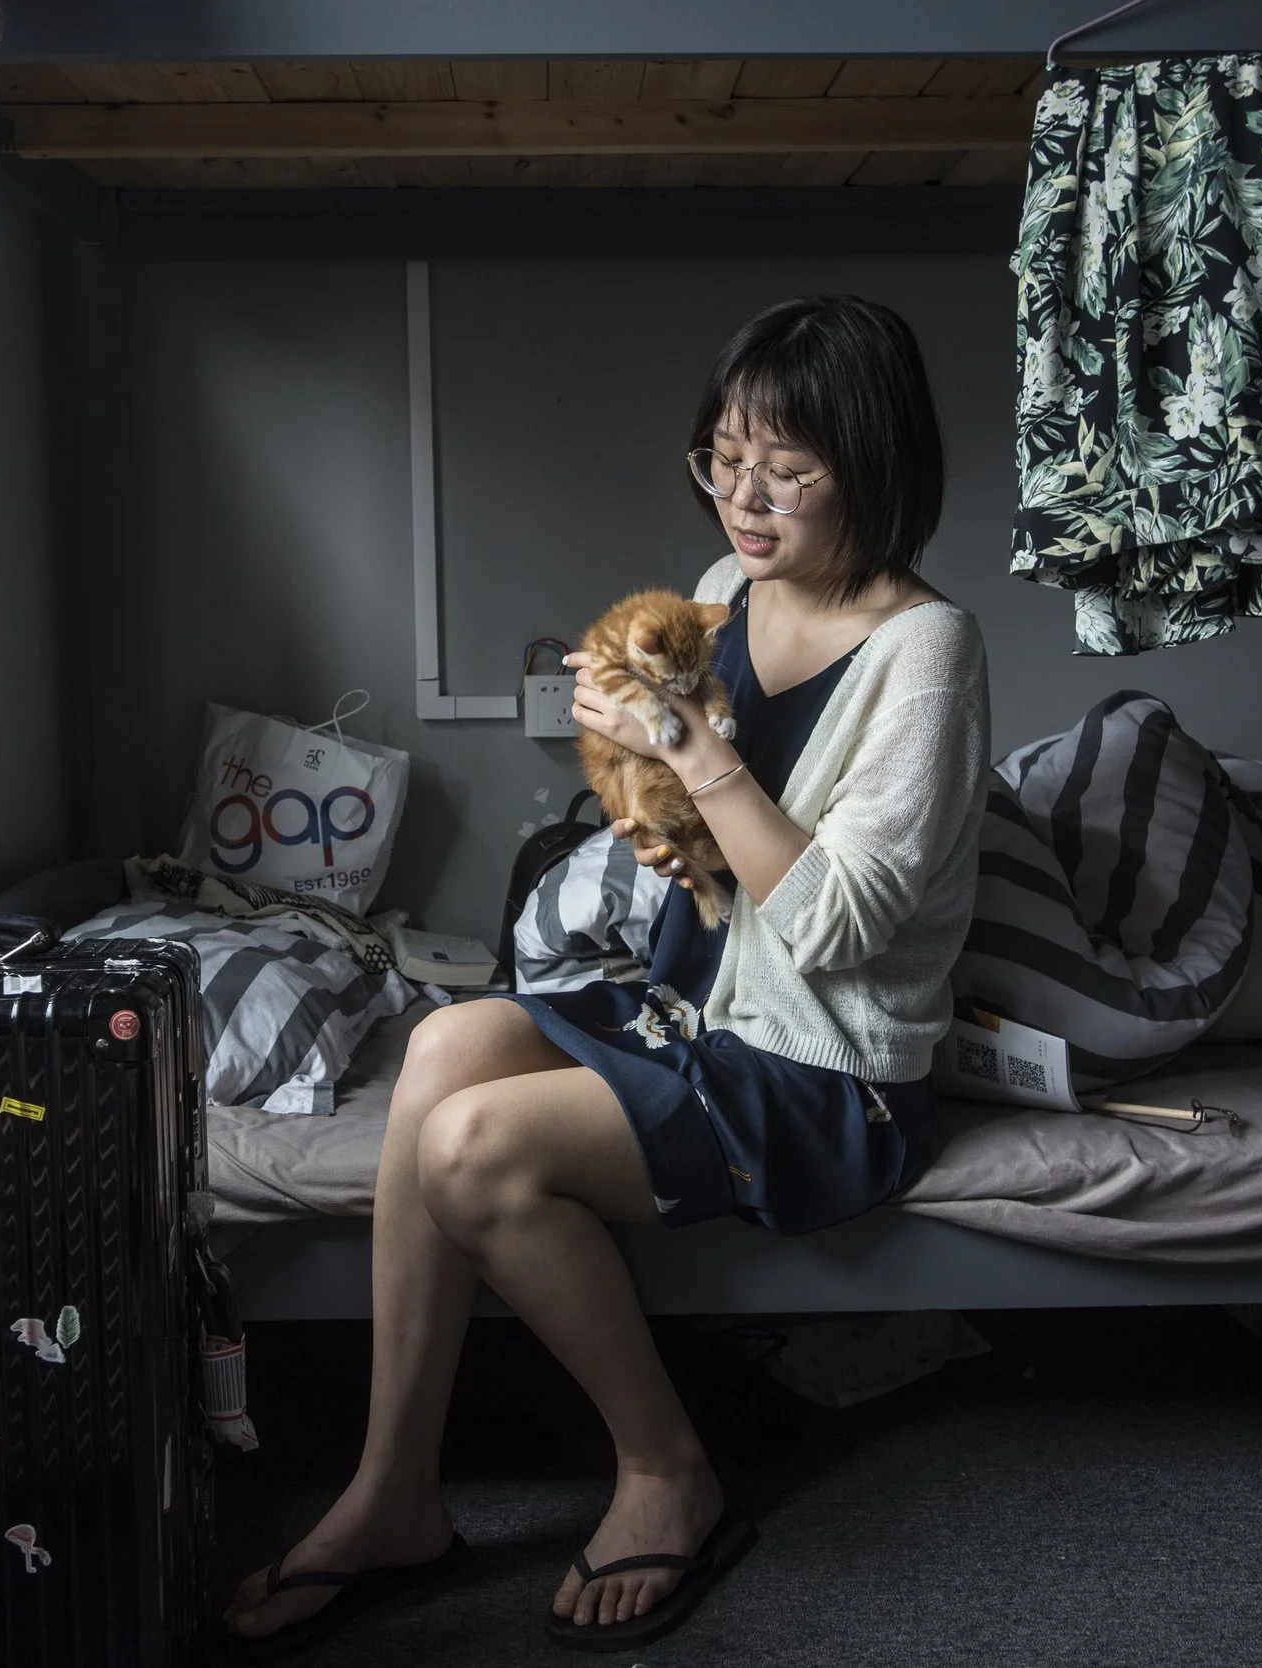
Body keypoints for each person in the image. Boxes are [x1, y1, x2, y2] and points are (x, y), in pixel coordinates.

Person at [220, 294, 990, 1658]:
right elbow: (694, 843)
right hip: (692, 1007)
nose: (745, 499)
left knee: (475, 1150)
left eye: (787, 467)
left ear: (875, 461)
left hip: (825, 1071)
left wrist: (696, 750)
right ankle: (394, 1490)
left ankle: (666, 1471)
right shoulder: (721, 591)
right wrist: (637, 774)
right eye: (723, 456)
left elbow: (839, 932)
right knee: (445, 1051)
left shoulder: (928, 649)